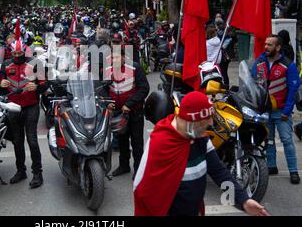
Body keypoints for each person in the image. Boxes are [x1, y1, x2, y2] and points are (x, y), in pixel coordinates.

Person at [134, 91, 270, 216]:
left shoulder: (200, 138)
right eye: (206, 121)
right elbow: (142, 189)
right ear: (191, 122)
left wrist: (244, 200)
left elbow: (218, 172)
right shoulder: (160, 143)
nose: (210, 123)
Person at [251, 34, 301, 184]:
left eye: (270, 45)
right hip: (264, 111)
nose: (266, 47)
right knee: (269, 140)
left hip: (281, 112)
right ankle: (271, 166)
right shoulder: (259, 63)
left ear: (278, 47)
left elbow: (293, 89)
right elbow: (252, 84)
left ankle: (293, 171)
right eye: (265, 44)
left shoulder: (288, 65)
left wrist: (287, 111)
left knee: (287, 140)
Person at [0, 39, 47, 188]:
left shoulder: (35, 63)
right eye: (15, 53)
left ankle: (37, 173)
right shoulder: (5, 65)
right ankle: (21, 171)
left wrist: (37, 87)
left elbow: (45, 85)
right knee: (17, 141)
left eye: (20, 53)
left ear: (24, 51)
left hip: (31, 106)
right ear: (11, 52)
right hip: (13, 107)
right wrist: (1, 85)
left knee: (32, 140)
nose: (17, 55)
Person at [102, 48, 150, 179]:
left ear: (124, 56)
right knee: (122, 140)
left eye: (117, 57)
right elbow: (102, 89)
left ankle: (139, 170)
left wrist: (129, 104)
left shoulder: (135, 68)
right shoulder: (107, 70)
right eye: (112, 58)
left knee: (137, 142)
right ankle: (124, 166)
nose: (114, 60)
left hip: (135, 111)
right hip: (117, 113)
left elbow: (144, 88)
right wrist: (108, 102)